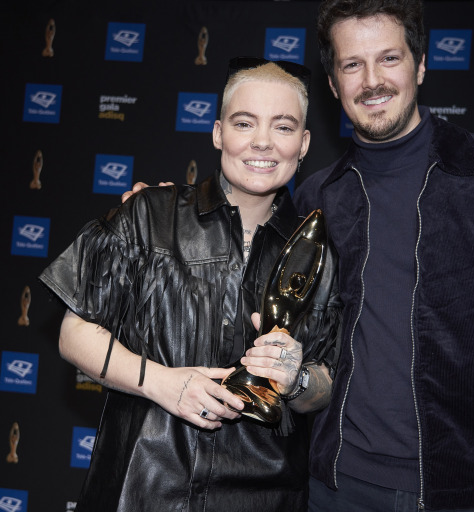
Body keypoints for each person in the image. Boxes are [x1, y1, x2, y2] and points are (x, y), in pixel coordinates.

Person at [124, 1, 474, 511]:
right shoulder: (319, 199)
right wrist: (167, 210)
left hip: (466, 492)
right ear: (332, 83)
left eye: (388, 59)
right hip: (334, 489)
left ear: (421, 65)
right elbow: (240, 239)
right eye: (352, 65)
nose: (372, 81)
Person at [39, 58, 341, 511]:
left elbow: (325, 382)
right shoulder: (150, 214)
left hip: (266, 495)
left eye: (283, 127)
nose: (262, 142)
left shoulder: (316, 252)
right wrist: (160, 382)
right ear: (219, 133)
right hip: (141, 487)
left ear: (303, 144)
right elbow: (73, 332)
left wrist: (296, 379)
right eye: (245, 123)